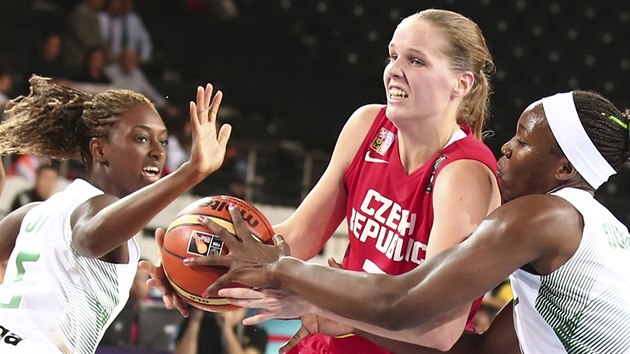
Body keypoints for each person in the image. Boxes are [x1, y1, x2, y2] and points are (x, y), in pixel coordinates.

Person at [142, 9, 501, 353]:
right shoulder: (367, 126)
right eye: (393, 56)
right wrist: (193, 262)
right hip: (333, 342)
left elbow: (437, 328)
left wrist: (320, 301)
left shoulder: (463, 173)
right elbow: (295, 239)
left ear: (461, 84)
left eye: (416, 61)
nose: (394, 71)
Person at [194, 90, 630, 354]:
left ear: (565, 170)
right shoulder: (594, 240)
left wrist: (284, 271)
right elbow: (464, 350)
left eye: (523, 140)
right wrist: (328, 306)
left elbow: (402, 301)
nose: (508, 149)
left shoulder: (543, 215)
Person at [0, 75, 231, 353]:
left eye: (163, 141)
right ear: (100, 149)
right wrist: (190, 173)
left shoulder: (36, 212)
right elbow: (88, 239)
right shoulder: (95, 207)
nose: (158, 152)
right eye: (141, 138)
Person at [175, 307, 268, 354]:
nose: (229, 311)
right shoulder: (202, 323)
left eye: (235, 308)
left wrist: (226, 328)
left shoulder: (256, 332)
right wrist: (194, 322)